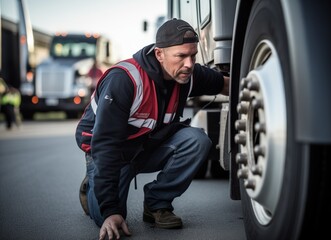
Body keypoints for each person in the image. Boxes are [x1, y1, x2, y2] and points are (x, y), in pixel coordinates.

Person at [75, 18, 229, 240]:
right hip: (112, 154)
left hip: (146, 147)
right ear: (159, 54)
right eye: (181, 56)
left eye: (193, 55)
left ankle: (157, 204)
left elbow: (225, 84)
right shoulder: (125, 80)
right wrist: (110, 210)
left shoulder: (187, 74)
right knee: (112, 218)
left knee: (197, 140)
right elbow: (105, 145)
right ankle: (92, 186)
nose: (189, 63)